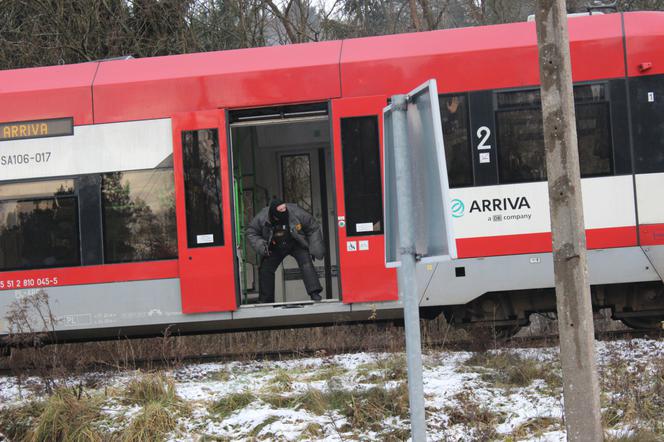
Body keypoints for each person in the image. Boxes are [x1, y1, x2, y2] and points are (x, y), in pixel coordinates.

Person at [246, 198, 325, 303]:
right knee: (265, 269)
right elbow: (251, 232)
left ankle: (315, 293)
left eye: (285, 208)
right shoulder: (262, 216)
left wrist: (314, 248)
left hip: (296, 243)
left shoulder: (296, 211)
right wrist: (262, 246)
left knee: (306, 263)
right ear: (274, 212)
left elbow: (313, 227)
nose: (284, 211)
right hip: (274, 246)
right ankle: (266, 301)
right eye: (281, 210)